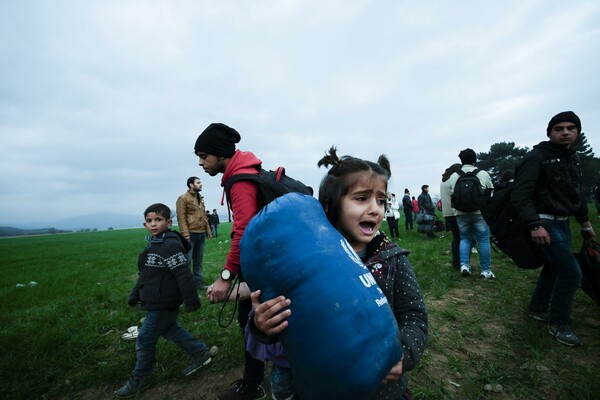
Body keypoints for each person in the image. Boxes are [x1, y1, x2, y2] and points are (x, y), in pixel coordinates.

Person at [249, 147, 428, 399]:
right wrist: (260, 325)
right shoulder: (305, 262)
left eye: (380, 200)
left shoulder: (392, 259)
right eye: (361, 198)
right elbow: (282, 319)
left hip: (385, 390)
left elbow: (414, 315)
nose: (375, 209)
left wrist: (404, 353)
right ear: (330, 205)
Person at [194, 123, 266, 400]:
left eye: (204, 156)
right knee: (256, 321)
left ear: (220, 154)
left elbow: (243, 230)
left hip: (261, 265)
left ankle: (253, 386)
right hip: (266, 261)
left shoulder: (241, 181)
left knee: (250, 323)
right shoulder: (245, 173)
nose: (201, 163)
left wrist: (225, 277)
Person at [512, 111, 595, 346]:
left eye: (571, 128)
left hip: (564, 221)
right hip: (545, 221)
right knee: (571, 272)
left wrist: (585, 222)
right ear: (550, 133)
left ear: (577, 131)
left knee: (554, 267)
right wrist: (534, 224)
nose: (565, 132)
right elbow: (520, 195)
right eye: (559, 129)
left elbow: (575, 194)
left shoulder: (573, 158)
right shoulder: (537, 157)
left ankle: (538, 308)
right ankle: (559, 324)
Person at [115, 203, 211, 398]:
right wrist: (135, 294)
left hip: (165, 303)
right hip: (156, 301)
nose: (153, 224)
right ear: (144, 224)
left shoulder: (170, 245)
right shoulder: (154, 244)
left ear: (168, 222)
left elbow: (183, 275)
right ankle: (201, 353)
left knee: (144, 338)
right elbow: (145, 275)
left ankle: (140, 377)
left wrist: (191, 301)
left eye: (158, 220)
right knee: (170, 331)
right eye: (149, 221)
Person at [446, 149, 495, 278]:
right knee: (483, 240)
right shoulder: (483, 174)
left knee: (464, 238)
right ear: (475, 160)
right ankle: (485, 270)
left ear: (461, 161)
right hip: (480, 212)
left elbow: (452, 192)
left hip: (461, 213)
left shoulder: (454, 176)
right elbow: (491, 190)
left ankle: (464, 265)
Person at [176, 177, 213, 290]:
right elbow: (181, 218)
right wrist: (185, 234)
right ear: (191, 185)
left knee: (198, 260)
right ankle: (184, 285)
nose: (201, 184)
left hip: (201, 234)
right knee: (187, 261)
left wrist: (208, 231)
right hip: (190, 234)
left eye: (200, 182)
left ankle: (198, 283)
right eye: (198, 182)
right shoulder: (183, 198)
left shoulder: (200, 198)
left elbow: (204, 217)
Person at [440, 163, 463, 269]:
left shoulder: (443, 180)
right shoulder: (454, 179)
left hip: (447, 212)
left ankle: (456, 262)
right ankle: (462, 261)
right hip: (455, 212)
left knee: (456, 238)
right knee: (462, 238)